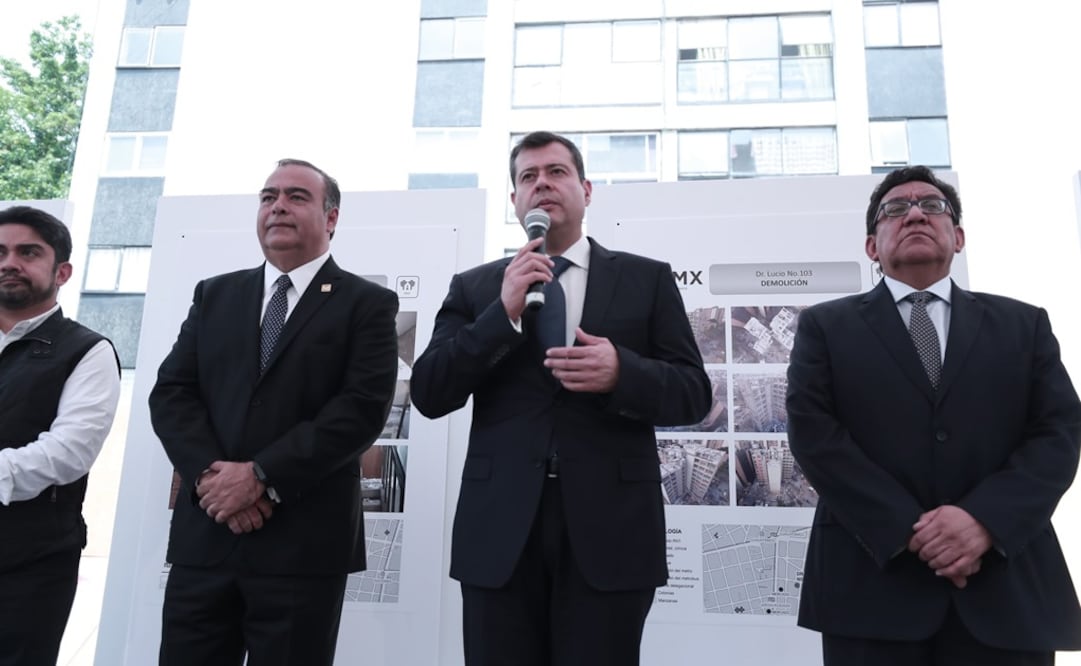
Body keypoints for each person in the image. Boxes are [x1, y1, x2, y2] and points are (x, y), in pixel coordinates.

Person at [411, 131, 712, 665]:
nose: (542, 184)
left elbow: (693, 394)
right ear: (515, 202)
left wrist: (623, 372)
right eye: (528, 177)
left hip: (611, 529)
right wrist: (499, 315)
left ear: (586, 189)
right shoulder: (477, 287)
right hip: (500, 530)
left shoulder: (647, 280)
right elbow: (431, 392)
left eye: (556, 172)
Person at [786, 165, 1081, 666]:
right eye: (895, 209)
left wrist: (983, 521)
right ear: (872, 247)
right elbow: (816, 439)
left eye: (932, 206)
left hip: (1005, 589)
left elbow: (1059, 433)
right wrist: (912, 531)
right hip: (872, 589)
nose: (915, 213)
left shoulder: (1023, 324)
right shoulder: (825, 327)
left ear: (958, 237)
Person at [149, 159, 399, 666]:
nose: (278, 206)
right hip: (207, 538)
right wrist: (213, 480)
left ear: (331, 218)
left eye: (296, 197)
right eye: (268, 197)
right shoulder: (215, 294)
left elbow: (360, 411)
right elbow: (172, 393)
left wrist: (261, 475)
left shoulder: (367, 303)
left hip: (302, 548)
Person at [0, 205, 121, 665]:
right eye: (1, 251)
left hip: (29, 563)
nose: (10, 262)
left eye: (28, 252)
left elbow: (68, 453)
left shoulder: (87, 351)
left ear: (62, 271)